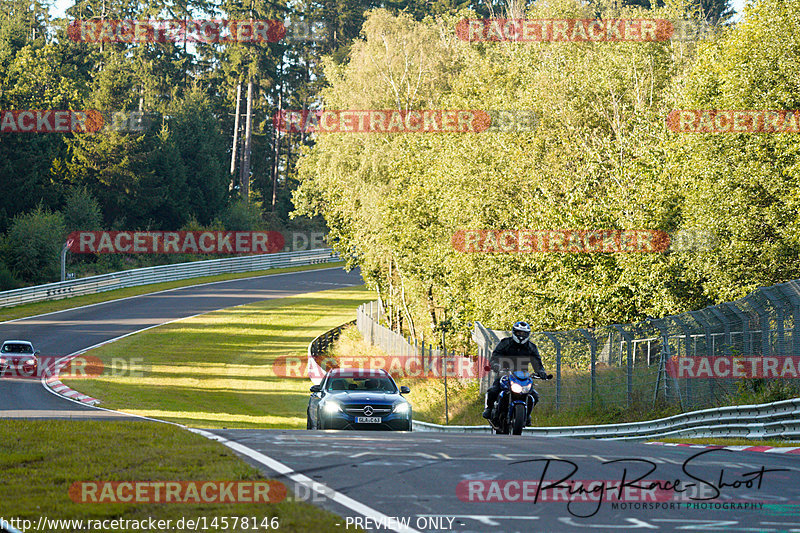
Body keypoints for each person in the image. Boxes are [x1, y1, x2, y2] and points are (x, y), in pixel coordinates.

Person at [482, 321, 548, 420]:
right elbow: (495, 356)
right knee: (493, 390)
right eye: (519, 333)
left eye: (524, 333)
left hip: (523, 376)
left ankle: (527, 414)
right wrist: (496, 365)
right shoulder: (505, 343)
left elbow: (537, 362)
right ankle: (489, 408)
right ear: (514, 332)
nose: (521, 336)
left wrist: (541, 372)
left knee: (534, 395)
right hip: (504, 373)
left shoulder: (531, 347)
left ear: (528, 334)